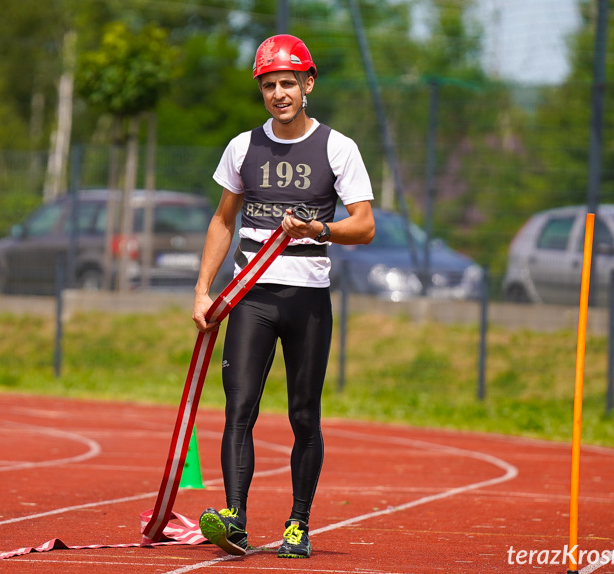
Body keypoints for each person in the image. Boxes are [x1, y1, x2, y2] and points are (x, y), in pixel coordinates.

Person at [192, 34, 375, 559]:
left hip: (308, 301)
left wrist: (318, 229)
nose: (278, 93)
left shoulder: (338, 148)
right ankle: (235, 519)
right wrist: (204, 291)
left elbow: (363, 227)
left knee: (303, 416)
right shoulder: (242, 147)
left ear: (308, 84)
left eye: (288, 83)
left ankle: (298, 523)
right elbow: (223, 219)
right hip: (251, 296)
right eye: (269, 85)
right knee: (239, 408)